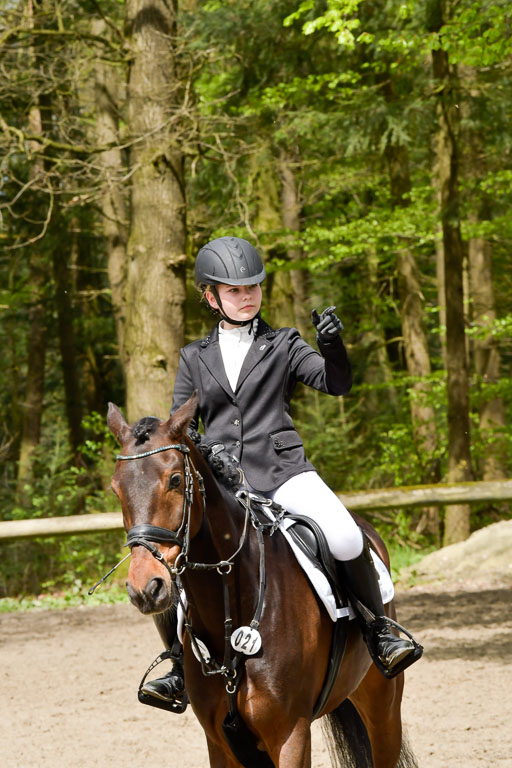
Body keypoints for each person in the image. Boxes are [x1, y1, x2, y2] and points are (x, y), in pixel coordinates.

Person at [141, 236, 421, 707]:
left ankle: (380, 631)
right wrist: (205, 453)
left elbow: (336, 382)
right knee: (168, 556)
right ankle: (175, 663)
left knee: (347, 536)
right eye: (234, 290)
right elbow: (182, 424)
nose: (247, 295)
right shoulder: (194, 356)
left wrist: (331, 346)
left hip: (284, 469)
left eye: (253, 287)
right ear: (211, 297)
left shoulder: (284, 343)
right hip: (224, 486)